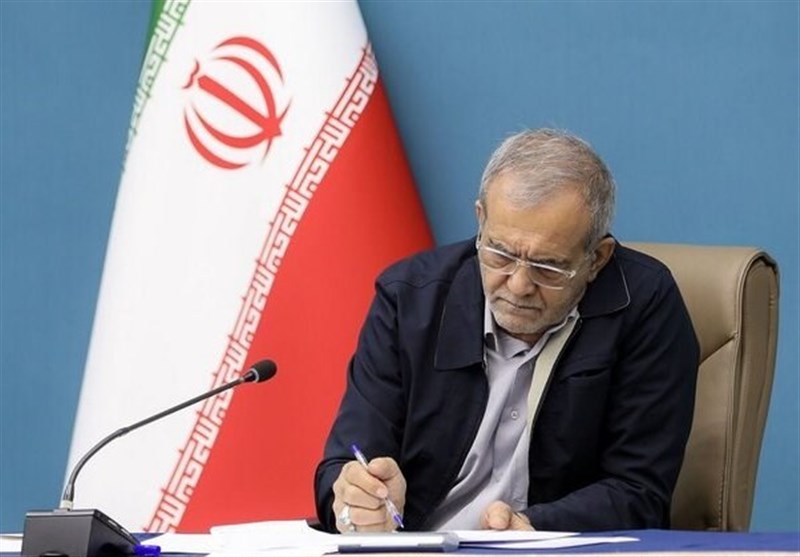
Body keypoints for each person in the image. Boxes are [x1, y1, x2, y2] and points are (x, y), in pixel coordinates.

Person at [314, 128, 699, 533]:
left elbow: (640, 492)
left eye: (548, 267)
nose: (518, 285)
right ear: (481, 219)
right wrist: (352, 498)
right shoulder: (409, 299)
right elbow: (343, 465)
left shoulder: (644, 306)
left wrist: (533, 527)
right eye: (500, 253)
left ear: (597, 259)